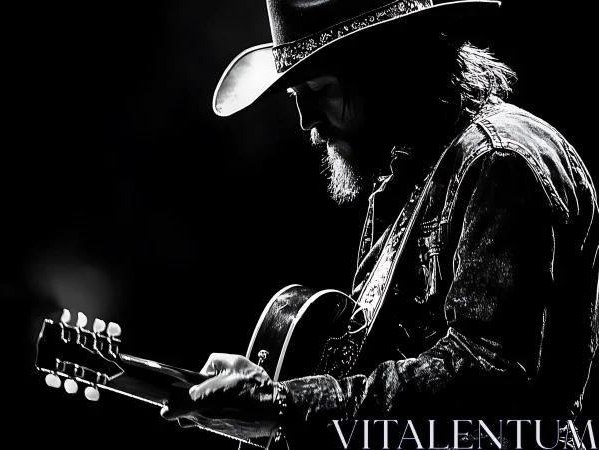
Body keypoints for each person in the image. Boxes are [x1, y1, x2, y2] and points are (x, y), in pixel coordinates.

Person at [159, 0, 599, 448]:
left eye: (318, 88)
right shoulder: (405, 179)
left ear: (388, 67)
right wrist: (272, 395)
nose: (305, 120)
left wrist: (285, 403)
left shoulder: (501, 161)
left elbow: (486, 375)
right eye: (297, 98)